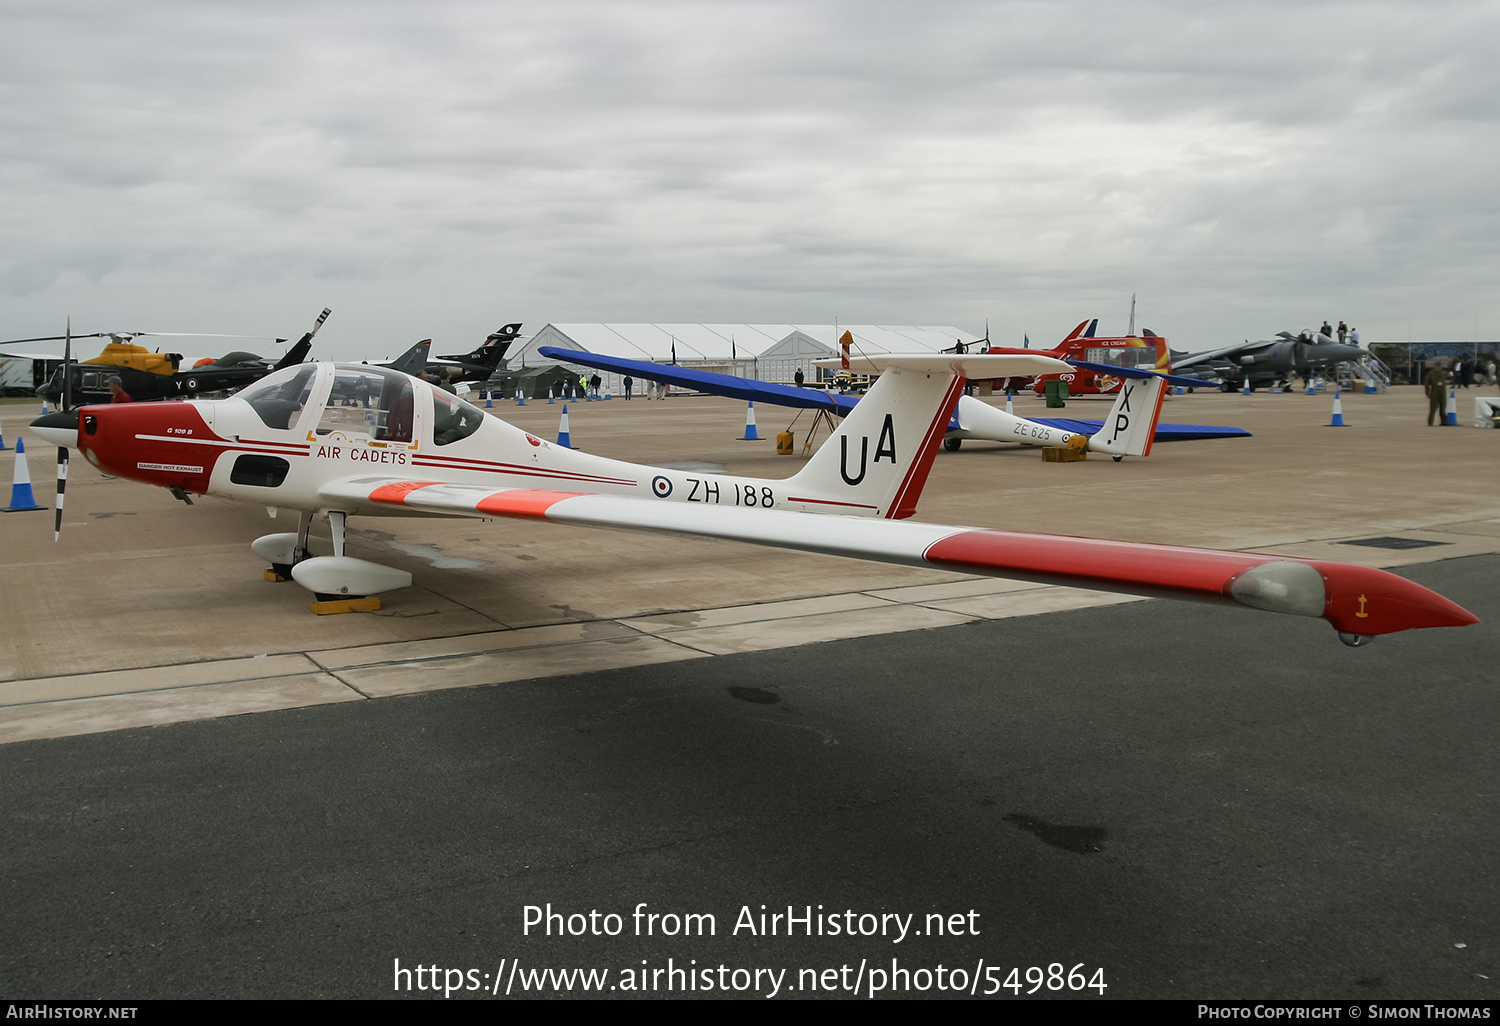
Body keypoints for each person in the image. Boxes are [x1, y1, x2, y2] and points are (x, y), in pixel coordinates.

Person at [1424, 361, 1450, 426]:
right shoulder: (1431, 373)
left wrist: (1449, 381)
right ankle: (1430, 422)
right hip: (1434, 391)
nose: (1438, 367)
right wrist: (1428, 393)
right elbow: (1427, 383)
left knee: (1443, 407)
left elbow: (1451, 378)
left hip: (1442, 392)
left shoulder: (1444, 373)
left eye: (1439, 366)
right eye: (1437, 366)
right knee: (1433, 408)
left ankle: (1444, 422)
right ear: (1435, 366)